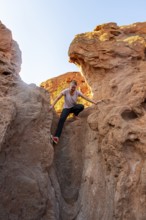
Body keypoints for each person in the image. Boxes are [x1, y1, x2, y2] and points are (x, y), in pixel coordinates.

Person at [49, 80, 102, 144]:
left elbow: (85, 98)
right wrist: (52, 106)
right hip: (66, 109)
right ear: (69, 86)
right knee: (62, 120)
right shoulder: (65, 91)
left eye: (74, 87)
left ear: (75, 87)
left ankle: (75, 115)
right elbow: (58, 98)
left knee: (81, 106)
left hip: (73, 108)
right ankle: (57, 137)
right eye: (72, 87)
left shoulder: (77, 92)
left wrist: (95, 103)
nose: (73, 88)